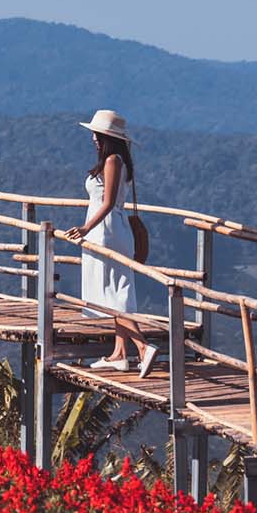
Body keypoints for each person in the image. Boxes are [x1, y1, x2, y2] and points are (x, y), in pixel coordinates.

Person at [61, 109, 156, 373]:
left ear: (108, 137)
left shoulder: (113, 161)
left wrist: (85, 227)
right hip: (112, 229)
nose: (93, 137)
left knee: (113, 292)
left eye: (98, 133)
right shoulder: (117, 160)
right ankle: (119, 353)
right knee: (116, 290)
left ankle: (143, 347)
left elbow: (109, 202)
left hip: (106, 231)